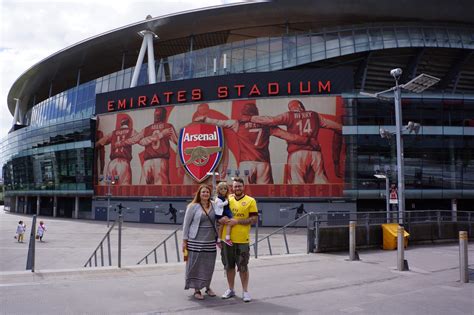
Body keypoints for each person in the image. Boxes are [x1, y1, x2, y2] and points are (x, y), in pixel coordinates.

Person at [194, 102, 318, 184]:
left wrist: (205, 119)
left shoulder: (237, 124)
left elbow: (220, 122)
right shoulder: (267, 126)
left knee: (242, 193)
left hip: (245, 163)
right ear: (256, 113)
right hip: (263, 164)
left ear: (244, 113)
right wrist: (307, 140)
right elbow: (288, 136)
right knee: (264, 194)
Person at [241, 99, 343, 184]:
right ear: (301, 107)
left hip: (296, 153)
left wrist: (251, 118)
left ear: (292, 108)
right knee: (321, 180)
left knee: (296, 183)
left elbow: (271, 120)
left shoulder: (289, 115)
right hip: (315, 152)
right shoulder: (315, 115)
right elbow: (337, 127)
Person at [220, 177, 258, 303]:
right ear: (232, 187)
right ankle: (231, 289)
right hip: (227, 240)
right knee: (229, 266)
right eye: (235, 186)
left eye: (239, 186)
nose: (237, 188)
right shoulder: (227, 199)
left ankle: (245, 291)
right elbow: (218, 215)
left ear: (243, 187)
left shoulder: (250, 201)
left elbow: (254, 219)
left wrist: (238, 221)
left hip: (242, 240)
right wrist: (221, 220)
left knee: (243, 267)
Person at [182, 184, 218, 300]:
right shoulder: (192, 206)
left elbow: (219, 219)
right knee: (195, 264)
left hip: (210, 240)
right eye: (203, 192)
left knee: (208, 265)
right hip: (195, 240)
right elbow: (186, 225)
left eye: (207, 192)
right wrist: (184, 240)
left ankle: (207, 286)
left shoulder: (215, 205)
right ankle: (197, 289)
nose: (205, 194)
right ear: (199, 193)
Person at [126, 107, 178, 184]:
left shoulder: (147, 129)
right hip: (161, 161)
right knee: (161, 188)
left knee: (143, 189)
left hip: (147, 162)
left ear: (155, 116)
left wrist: (124, 142)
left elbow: (135, 140)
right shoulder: (167, 126)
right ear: (164, 116)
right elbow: (177, 142)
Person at [96, 115, 139, 185]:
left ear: (121, 124)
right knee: (124, 189)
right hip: (124, 163)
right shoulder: (131, 131)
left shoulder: (113, 133)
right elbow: (139, 138)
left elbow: (100, 143)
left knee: (110, 188)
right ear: (128, 124)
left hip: (112, 164)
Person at [213, 181, 233, 247]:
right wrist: (226, 202)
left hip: (224, 213)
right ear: (218, 190)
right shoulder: (218, 198)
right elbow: (219, 205)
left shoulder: (226, 197)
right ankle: (227, 238)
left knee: (221, 227)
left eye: (225, 188)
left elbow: (230, 196)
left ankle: (218, 240)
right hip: (221, 215)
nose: (223, 190)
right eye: (221, 189)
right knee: (230, 223)